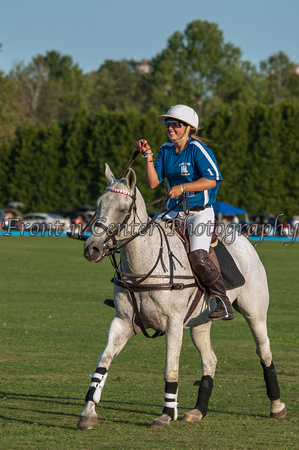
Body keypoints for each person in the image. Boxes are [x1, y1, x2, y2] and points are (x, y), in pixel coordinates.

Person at [135, 104, 234, 320]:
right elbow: (153, 183)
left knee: (198, 258)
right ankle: (132, 296)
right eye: (169, 124)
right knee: (142, 239)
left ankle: (222, 301)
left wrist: (183, 187)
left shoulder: (197, 149)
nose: (171, 128)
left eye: (176, 125)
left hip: (199, 213)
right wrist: (148, 156)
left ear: (189, 128)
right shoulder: (165, 149)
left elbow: (212, 179)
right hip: (172, 211)